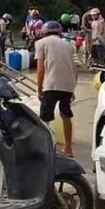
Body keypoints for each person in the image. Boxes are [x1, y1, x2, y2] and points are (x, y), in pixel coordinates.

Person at [35, 21, 78, 156]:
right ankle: (68, 148)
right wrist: (72, 89)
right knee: (66, 115)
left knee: (45, 118)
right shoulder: (69, 45)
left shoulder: (41, 43)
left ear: (44, 32)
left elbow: (40, 69)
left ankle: (45, 149)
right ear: (60, 32)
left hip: (51, 85)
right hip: (68, 84)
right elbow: (74, 68)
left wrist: (39, 88)